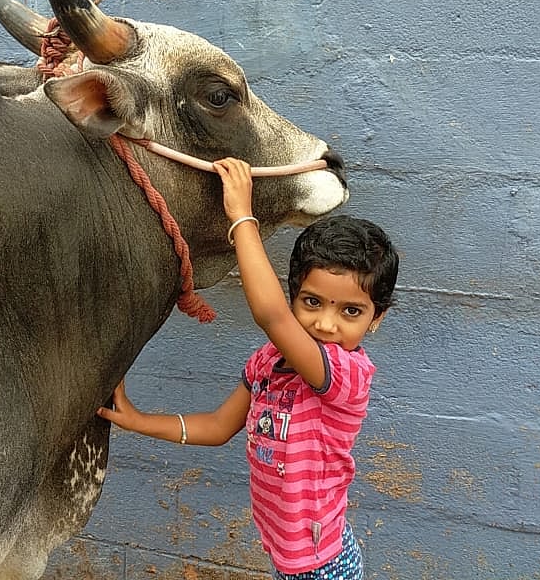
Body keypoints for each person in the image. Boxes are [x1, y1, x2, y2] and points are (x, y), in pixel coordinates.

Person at [98, 157, 400, 579]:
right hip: (290, 559)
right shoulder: (267, 363)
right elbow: (219, 426)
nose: (326, 324)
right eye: (312, 302)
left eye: (351, 311)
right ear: (295, 295)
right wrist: (138, 420)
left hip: (323, 567)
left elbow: (273, 316)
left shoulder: (346, 373)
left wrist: (242, 217)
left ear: (376, 318)